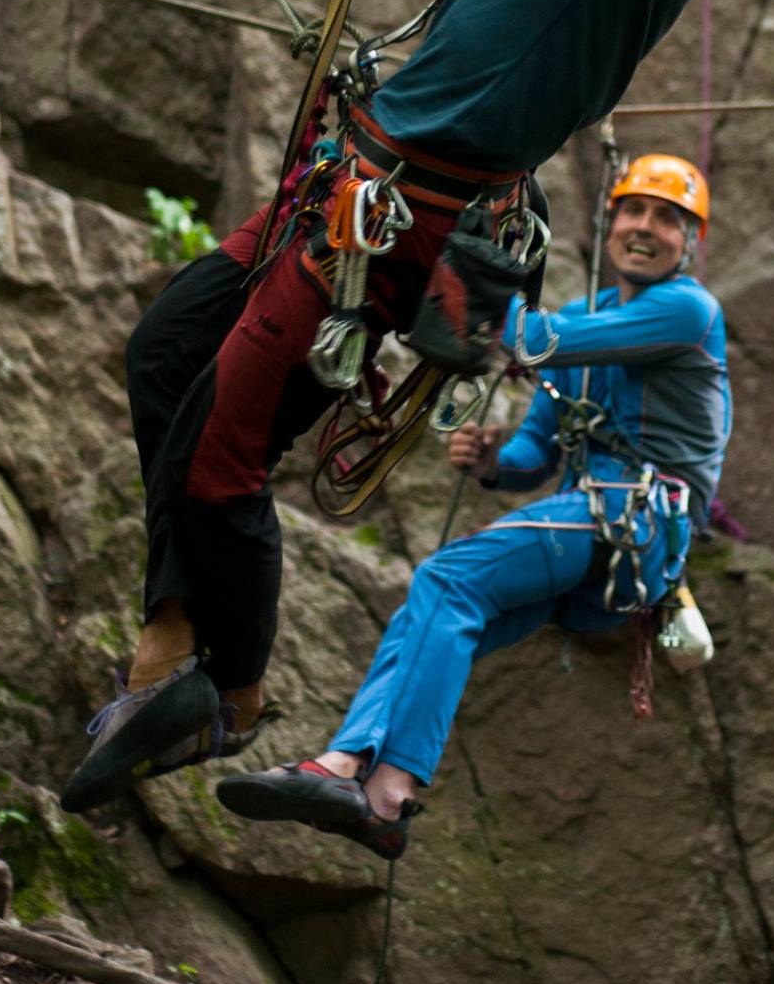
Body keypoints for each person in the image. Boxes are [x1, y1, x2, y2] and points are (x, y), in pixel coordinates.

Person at [60, 0, 774, 816]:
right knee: (167, 356)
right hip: (346, 172)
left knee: (224, 444)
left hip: (403, 209)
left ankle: (218, 681)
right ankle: (177, 647)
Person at [215, 152, 729, 857]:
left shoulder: (688, 310)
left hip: (634, 521)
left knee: (449, 581)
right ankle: (367, 785)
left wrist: (466, 262)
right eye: (633, 211)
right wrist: (494, 462)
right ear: (611, 222)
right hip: (600, 527)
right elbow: (534, 456)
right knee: (435, 615)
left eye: (667, 219)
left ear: (692, 241)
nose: (645, 227)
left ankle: (368, 779)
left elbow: (534, 341)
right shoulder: (591, 314)